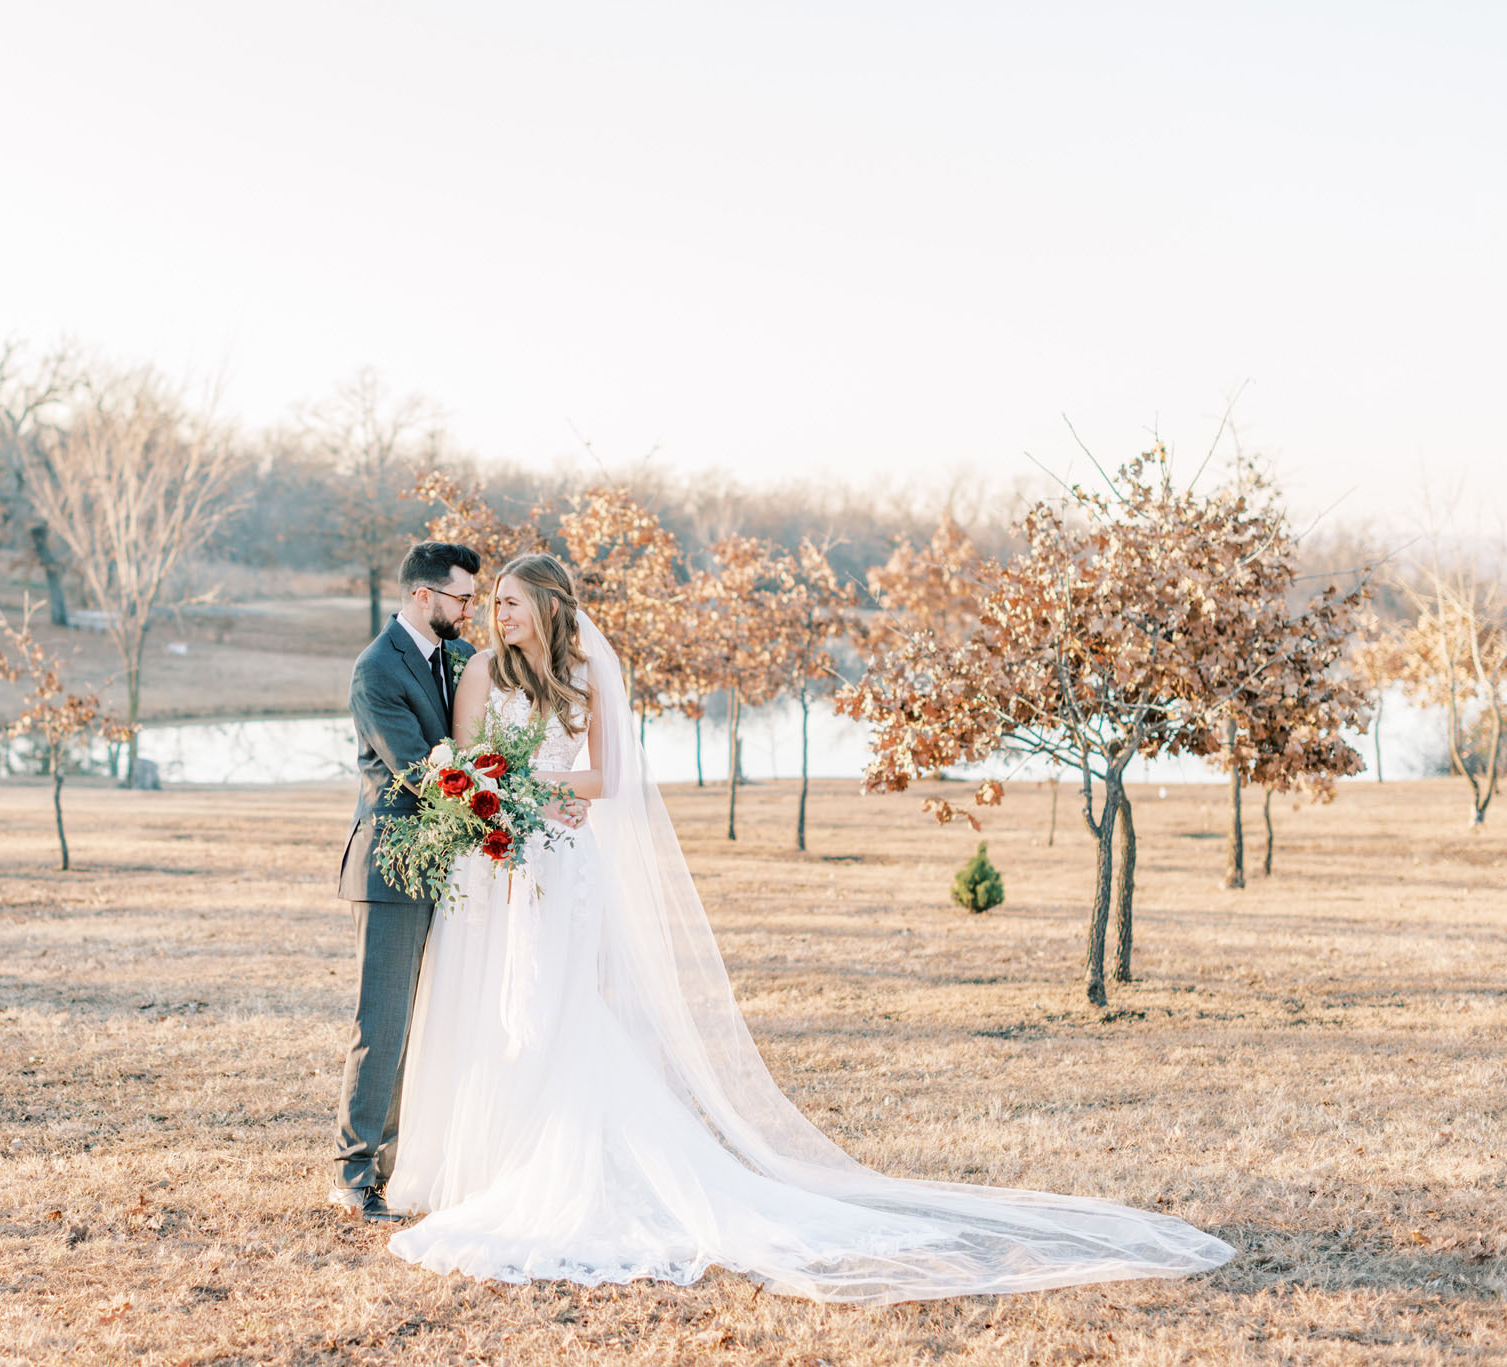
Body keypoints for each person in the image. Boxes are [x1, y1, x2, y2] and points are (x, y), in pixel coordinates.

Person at [383, 552, 1234, 1302]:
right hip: (498, 862)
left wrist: (544, 796)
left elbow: (611, 775)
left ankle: (565, 1162)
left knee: (564, 1008)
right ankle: (488, 1159)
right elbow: (464, 757)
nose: (499, 614)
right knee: (499, 1010)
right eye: (493, 602)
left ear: (551, 607)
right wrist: (496, 803)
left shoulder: (584, 677)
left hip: (564, 862)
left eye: (512, 601)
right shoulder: (486, 673)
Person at [331, 541, 483, 1221]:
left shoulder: (453, 658)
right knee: (383, 1027)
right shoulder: (376, 670)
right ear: (424, 596)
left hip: (448, 867)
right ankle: (356, 1175)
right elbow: (422, 771)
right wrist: (499, 798)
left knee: (436, 1023)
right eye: (463, 597)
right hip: (393, 864)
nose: (470, 608)